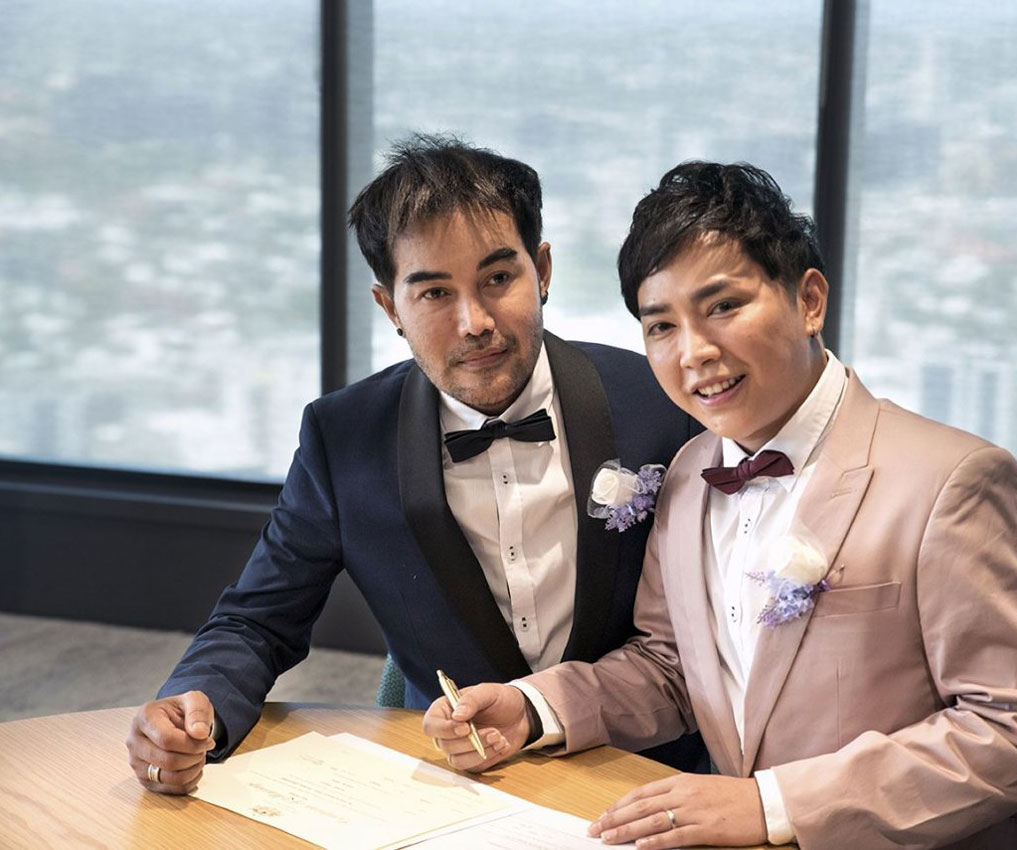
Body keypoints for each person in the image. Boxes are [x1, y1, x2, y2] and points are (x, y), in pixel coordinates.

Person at [424, 161, 1017, 849]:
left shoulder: (952, 481)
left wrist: (774, 805)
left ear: (810, 301)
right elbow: (672, 669)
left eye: (723, 307)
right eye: (661, 326)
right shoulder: (690, 472)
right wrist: (532, 708)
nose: (694, 352)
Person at [123, 136, 706, 795]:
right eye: (433, 293)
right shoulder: (345, 439)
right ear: (390, 306)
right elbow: (257, 620)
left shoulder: (661, 403)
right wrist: (194, 707)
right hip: (450, 781)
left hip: (648, 772)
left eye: (498, 279)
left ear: (542, 270)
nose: (474, 322)